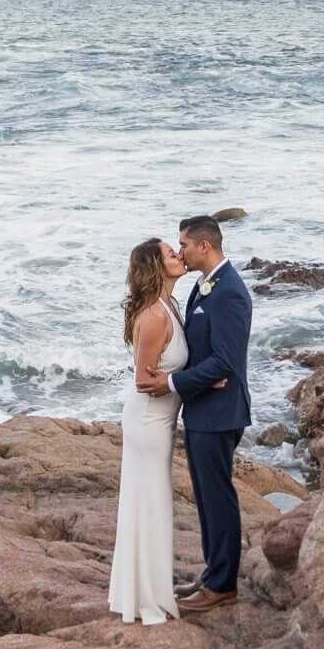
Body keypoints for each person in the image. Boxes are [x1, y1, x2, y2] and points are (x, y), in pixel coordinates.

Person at [154, 214, 251, 613]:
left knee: (218, 498)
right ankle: (213, 574)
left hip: (219, 414)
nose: (180, 251)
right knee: (207, 498)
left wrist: (173, 384)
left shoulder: (228, 291)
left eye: (185, 244)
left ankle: (223, 584)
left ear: (205, 246)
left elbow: (226, 362)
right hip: (204, 409)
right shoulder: (205, 286)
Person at [108, 236, 190, 624]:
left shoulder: (169, 304)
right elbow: (144, 379)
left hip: (161, 418)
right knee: (148, 502)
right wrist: (195, 381)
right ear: (157, 267)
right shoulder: (154, 316)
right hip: (148, 420)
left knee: (153, 502)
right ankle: (144, 598)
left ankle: (149, 589)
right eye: (171, 254)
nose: (179, 255)